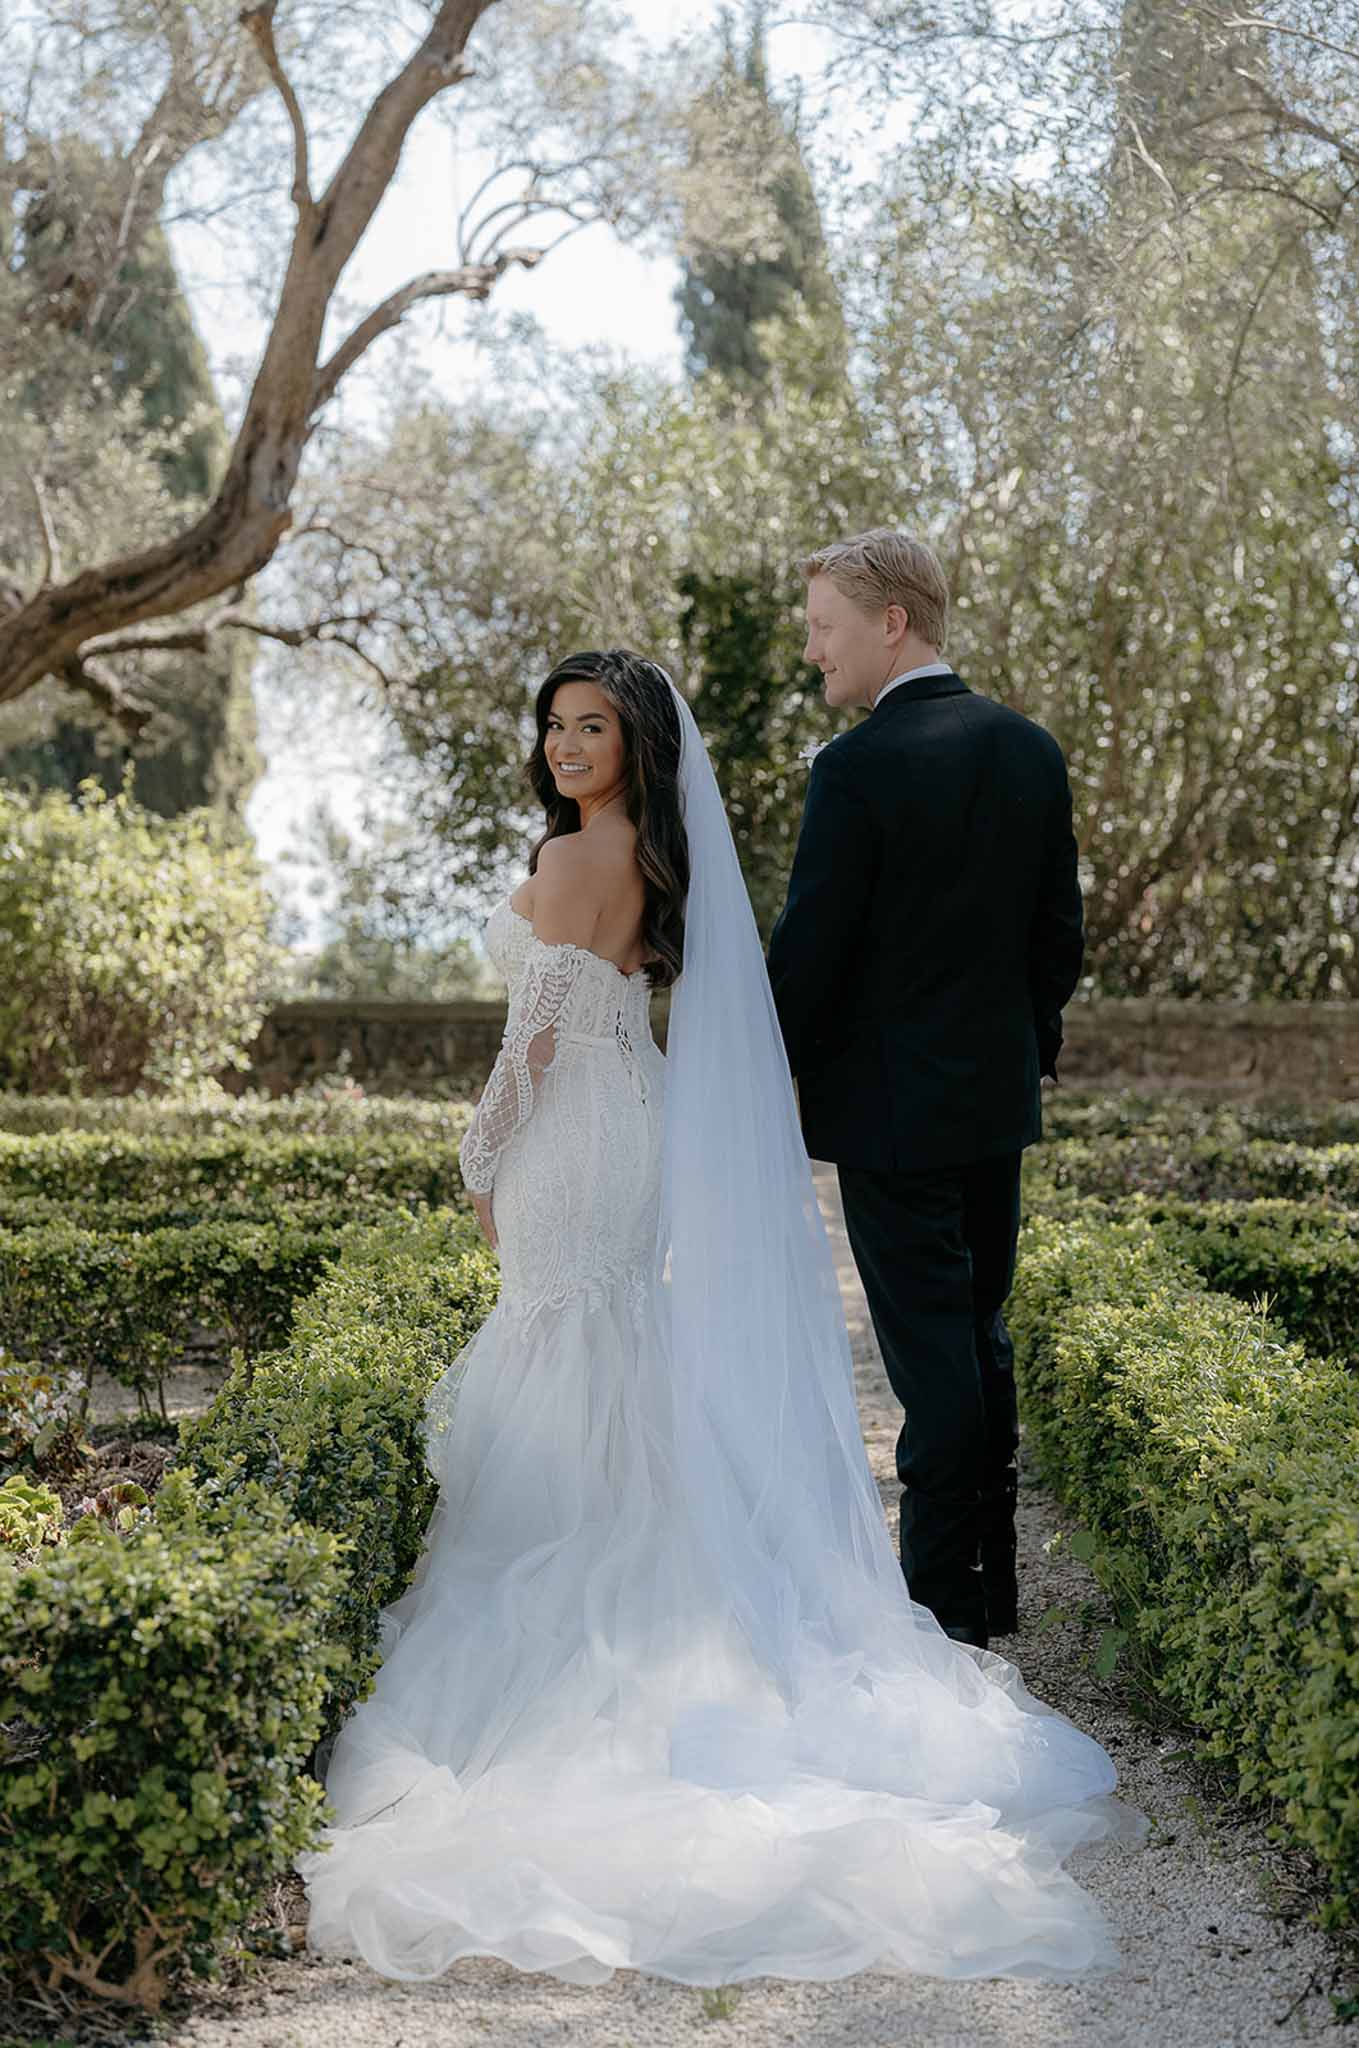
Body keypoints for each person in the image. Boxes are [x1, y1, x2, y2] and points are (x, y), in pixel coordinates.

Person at [298, 647, 1144, 1989]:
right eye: (555, 726)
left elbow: (524, 1041)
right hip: (626, 1117)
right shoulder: (650, 855)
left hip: (570, 1127)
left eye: (591, 726)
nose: (568, 744)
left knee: (557, 1336)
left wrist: (473, 1161)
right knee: (608, 1341)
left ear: (633, 740)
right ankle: (649, 1560)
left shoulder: (574, 860)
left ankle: (577, 1583)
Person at [768, 530, 1085, 1654]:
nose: (814, 651)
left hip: (891, 1119)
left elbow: (811, 955)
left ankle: (942, 1616)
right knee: (978, 1338)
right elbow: (1059, 943)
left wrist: (758, 1070)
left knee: (935, 1367)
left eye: (823, 625)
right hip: (994, 1104)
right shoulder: (1030, 750)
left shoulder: (854, 770)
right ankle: (987, 1600)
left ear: (889, 620)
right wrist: (1018, 1050)